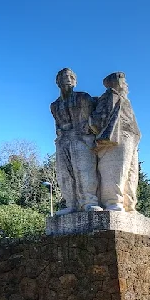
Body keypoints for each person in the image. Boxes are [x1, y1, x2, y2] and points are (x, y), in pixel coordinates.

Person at [50, 68, 101, 214]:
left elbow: (94, 118)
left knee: (84, 171)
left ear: (75, 81)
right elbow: (57, 124)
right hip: (63, 140)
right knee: (64, 174)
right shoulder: (54, 105)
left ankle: (89, 202)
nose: (67, 79)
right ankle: (71, 204)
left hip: (82, 138)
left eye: (70, 76)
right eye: (63, 77)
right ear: (57, 82)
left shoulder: (83, 97)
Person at [90, 72, 140, 212]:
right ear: (116, 83)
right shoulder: (109, 96)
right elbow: (96, 120)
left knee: (131, 175)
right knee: (115, 171)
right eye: (124, 82)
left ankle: (129, 205)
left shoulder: (125, 99)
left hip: (131, 138)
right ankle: (113, 202)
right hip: (116, 138)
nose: (127, 85)